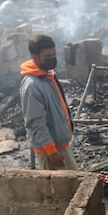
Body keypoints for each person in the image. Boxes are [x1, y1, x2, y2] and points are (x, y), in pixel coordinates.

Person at [20, 34, 77, 171]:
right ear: (35, 57)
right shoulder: (32, 85)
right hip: (50, 149)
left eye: (54, 55)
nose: (52, 59)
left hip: (60, 144)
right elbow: (36, 123)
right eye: (47, 56)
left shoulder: (47, 74)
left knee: (72, 182)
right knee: (62, 188)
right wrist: (51, 151)